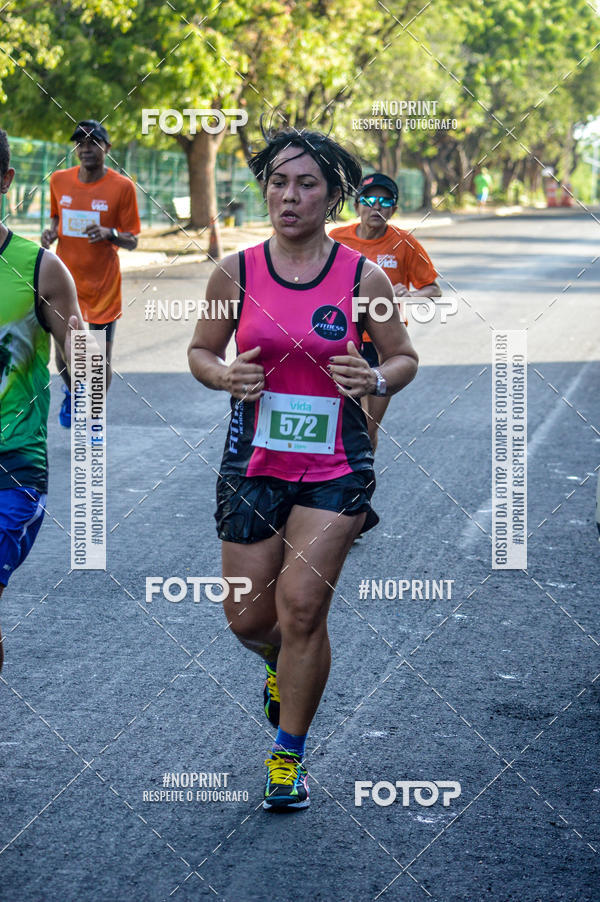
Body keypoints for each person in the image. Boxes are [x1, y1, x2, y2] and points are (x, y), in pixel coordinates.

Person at [188, 129, 418, 810]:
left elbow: (405, 357)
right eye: (279, 182)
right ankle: (279, 672)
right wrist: (224, 374)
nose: (290, 195)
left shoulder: (360, 277)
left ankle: (288, 755)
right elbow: (201, 350)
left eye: (307, 184)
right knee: (249, 620)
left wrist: (375, 375)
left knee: (303, 609)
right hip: (253, 463)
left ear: (332, 196)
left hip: (335, 467)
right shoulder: (236, 272)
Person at [0, 127, 83, 670]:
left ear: (5, 181)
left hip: (12, 469)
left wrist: (84, 387)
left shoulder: (40, 269)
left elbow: (82, 359)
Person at [41, 119, 141, 427]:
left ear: (107, 148)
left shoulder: (122, 187)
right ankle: (74, 394)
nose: (86, 148)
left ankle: (92, 411)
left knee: (97, 359)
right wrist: (51, 234)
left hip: (102, 289)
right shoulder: (58, 180)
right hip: (64, 285)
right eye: (80, 143)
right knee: (63, 353)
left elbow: (133, 240)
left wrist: (109, 233)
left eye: (93, 142)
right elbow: (58, 219)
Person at [330, 173, 439, 450]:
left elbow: (433, 289)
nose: (376, 206)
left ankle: (361, 485)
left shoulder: (406, 243)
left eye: (385, 201)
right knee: (335, 420)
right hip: (340, 340)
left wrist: (410, 293)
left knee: (367, 425)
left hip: (383, 346)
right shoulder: (335, 239)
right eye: (368, 199)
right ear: (357, 206)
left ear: (394, 209)